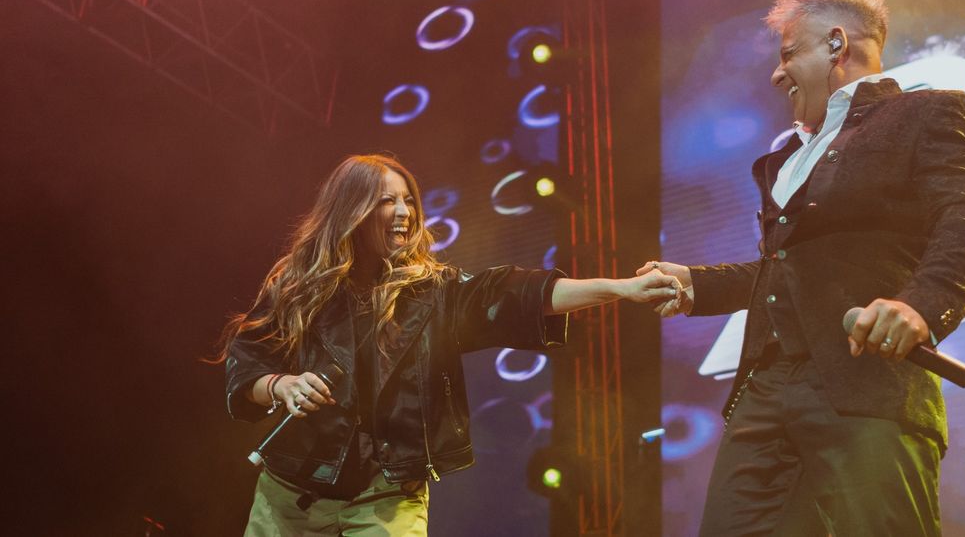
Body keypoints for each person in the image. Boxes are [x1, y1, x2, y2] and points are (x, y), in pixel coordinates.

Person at [642, 0, 965, 535]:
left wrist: (922, 307)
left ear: (836, 44)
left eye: (789, 54)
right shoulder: (785, 161)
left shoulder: (927, 113)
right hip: (765, 389)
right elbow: (786, 270)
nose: (777, 73)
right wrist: (696, 284)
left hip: (866, 382)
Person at [218, 153, 681, 536]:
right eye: (386, 201)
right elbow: (248, 365)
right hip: (291, 492)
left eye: (408, 201)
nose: (405, 212)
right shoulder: (299, 283)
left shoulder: (434, 292)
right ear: (351, 210)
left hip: (387, 497)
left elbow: (520, 293)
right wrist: (281, 385)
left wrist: (621, 289)